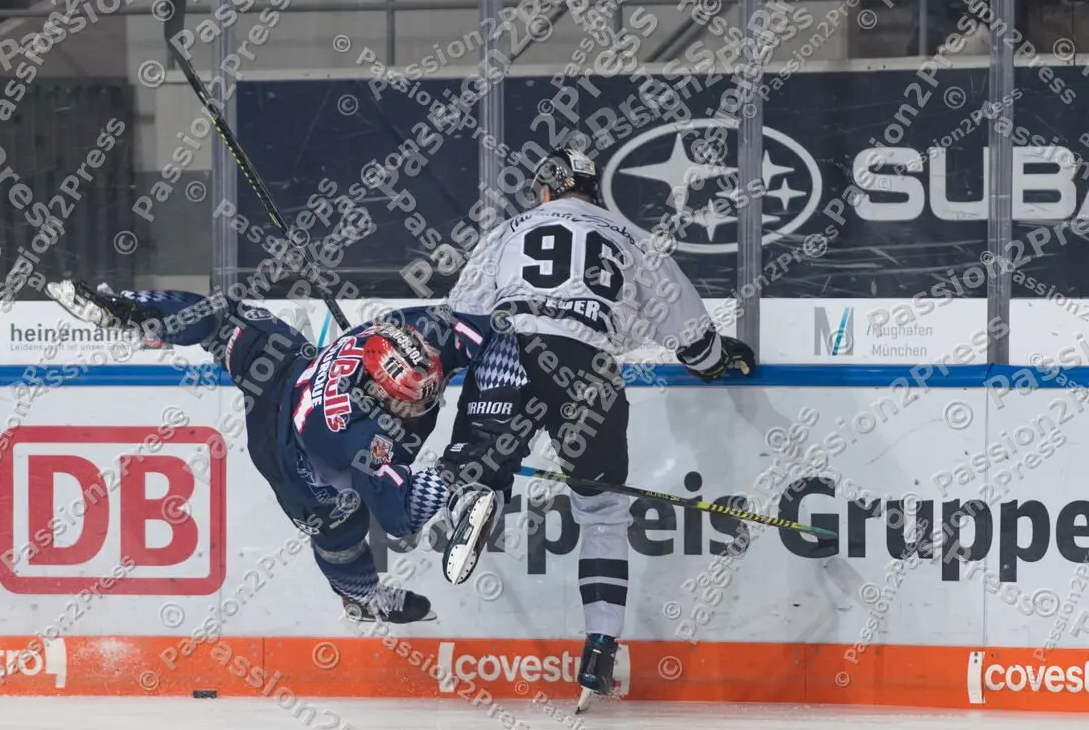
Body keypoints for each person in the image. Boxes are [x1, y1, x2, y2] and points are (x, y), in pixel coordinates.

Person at [434, 146, 757, 710]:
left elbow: (462, 320)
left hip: (512, 348)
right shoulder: (631, 239)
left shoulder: (511, 228)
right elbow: (694, 337)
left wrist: (439, 369)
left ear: (546, 190)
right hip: (590, 367)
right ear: (591, 190)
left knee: (474, 464)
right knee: (602, 511)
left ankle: (478, 491)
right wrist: (720, 360)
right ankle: (601, 648)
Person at [43, 279, 500, 624]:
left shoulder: (412, 330)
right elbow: (400, 518)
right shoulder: (353, 435)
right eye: (408, 400)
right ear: (378, 397)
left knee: (224, 317)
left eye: (430, 389)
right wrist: (453, 481)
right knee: (341, 529)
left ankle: (132, 310)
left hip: (286, 365)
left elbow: (490, 331)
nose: (423, 402)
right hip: (290, 454)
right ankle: (362, 599)